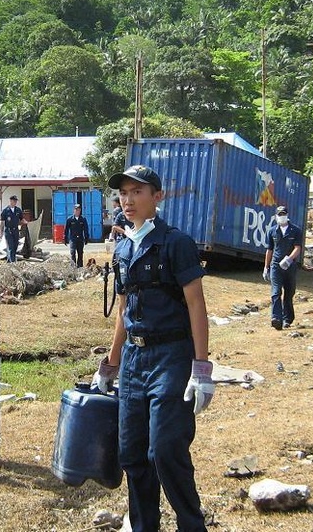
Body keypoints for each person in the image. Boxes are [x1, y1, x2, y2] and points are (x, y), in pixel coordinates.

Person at [92, 165, 214, 532]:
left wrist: (202, 370)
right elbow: (125, 310)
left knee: (165, 450)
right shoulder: (125, 247)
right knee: (132, 454)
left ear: (157, 197)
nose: (127, 200)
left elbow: (196, 304)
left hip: (171, 356)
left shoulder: (176, 243)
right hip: (134, 359)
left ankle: (191, 525)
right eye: (123, 193)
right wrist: (111, 364)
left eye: (136, 192)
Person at [263, 205, 303, 330]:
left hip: (289, 267)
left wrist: (290, 259)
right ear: (276, 216)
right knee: (276, 292)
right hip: (276, 265)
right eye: (279, 214)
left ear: (287, 215)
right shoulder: (272, 231)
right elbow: (269, 250)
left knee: (289, 293)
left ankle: (287, 319)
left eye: (283, 214)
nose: (282, 216)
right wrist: (266, 267)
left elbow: (298, 248)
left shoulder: (295, 230)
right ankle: (276, 318)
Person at [64, 203, 89, 267]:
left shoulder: (83, 219)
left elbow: (86, 229)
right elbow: (66, 229)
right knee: (72, 253)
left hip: (80, 239)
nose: (77, 211)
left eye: (78, 210)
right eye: (76, 209)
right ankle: (73, 267)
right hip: (73, 239)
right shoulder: (70, 219)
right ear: (74, 210)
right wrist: (65, 238)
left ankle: (80, 267)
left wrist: (86, 238)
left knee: (80, 254)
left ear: (80, 210)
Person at [0, 195, 23, 262]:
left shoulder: (18, 210)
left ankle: (9, 261)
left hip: (16, 230)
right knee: (11, 247)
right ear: (11, 201)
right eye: (13, 201)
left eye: (16, 201)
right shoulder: (5, 211)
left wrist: (28, 223)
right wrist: (0, 232)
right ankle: (13, 262)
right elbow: (2, 222)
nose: (15, 202)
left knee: (15, 246)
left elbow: (21, 219)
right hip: (8, 231)